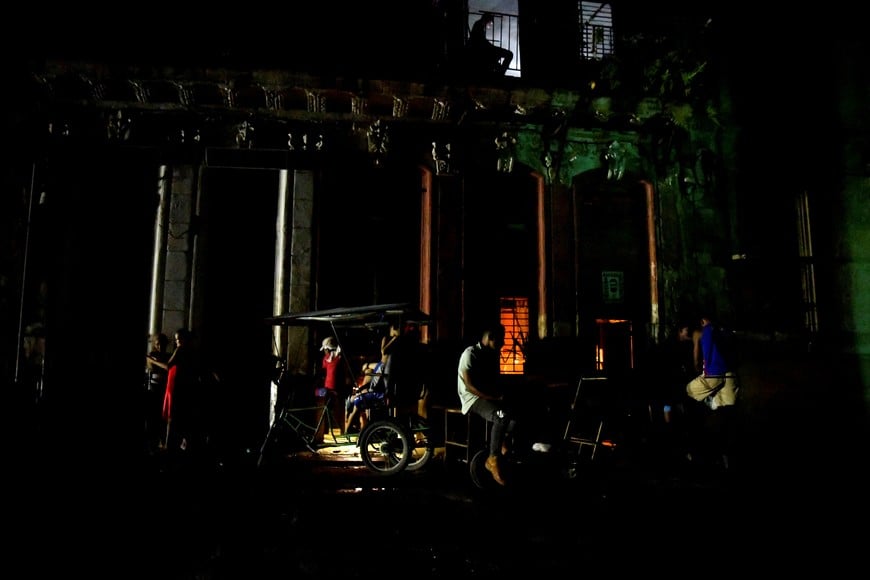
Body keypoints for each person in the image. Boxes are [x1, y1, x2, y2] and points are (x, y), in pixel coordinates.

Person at [678, 314, 740, 469]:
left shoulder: (703, 332)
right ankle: (728, 455)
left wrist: (697, 367)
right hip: (730, 375)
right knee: (728, 411)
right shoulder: (720, 330)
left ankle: (709, 404)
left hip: (714, 374)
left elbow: (697, 359)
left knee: (688, 390)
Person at [457, 324, 514, 486]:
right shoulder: (470, 353)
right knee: (500, 415)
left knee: (516, 415)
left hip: (488, 397)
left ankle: (502, 442)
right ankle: (492, 458)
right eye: (501, 340)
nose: (502, 344)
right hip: (471, 399)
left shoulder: (490, 355)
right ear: (490, 338)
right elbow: (469, 386)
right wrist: (494, 397)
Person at [148, 328, 205, 456]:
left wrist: (152, 360)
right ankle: (177, 443)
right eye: (176, 339)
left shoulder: (180, 350)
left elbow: (168, 366)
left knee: (171, 416)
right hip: (181, 384)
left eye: (179, 339)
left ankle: (168, 445)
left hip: (174, 385)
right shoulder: (192, 352)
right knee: (178, 415)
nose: (177, 342)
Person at [315, 336, 349, 442]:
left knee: (317, 396)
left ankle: (322, 431)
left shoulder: (335, 358)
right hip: (330, 389)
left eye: (325, 349)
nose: (324, 352)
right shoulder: (332, 358)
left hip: (334, 390)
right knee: (319, 396)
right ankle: (324, 430)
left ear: (328, 349)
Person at [144, 332, 170, 453]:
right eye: (158, 344)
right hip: (154, 387)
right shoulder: (152, 354)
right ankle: (152, 443)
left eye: (163, 344)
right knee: (152, 416)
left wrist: (152, 361)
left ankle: (161, 441)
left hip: (164, 389)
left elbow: (166, 367)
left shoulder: (168, 356)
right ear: (155, 344)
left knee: (162, 416)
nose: (160, 347)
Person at [466, 13, 513, 79]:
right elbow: (481, 41)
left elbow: (481, 40)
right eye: (490, 22)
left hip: (482, 49)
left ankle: (499, 72)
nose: (490, 24)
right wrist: (491, 46)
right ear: (487, 20)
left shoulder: (479, 24)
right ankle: (500, 74)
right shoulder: (479, 25)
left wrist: (491, 46)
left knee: (498, 58)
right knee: (509, 54)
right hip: (482, 49)